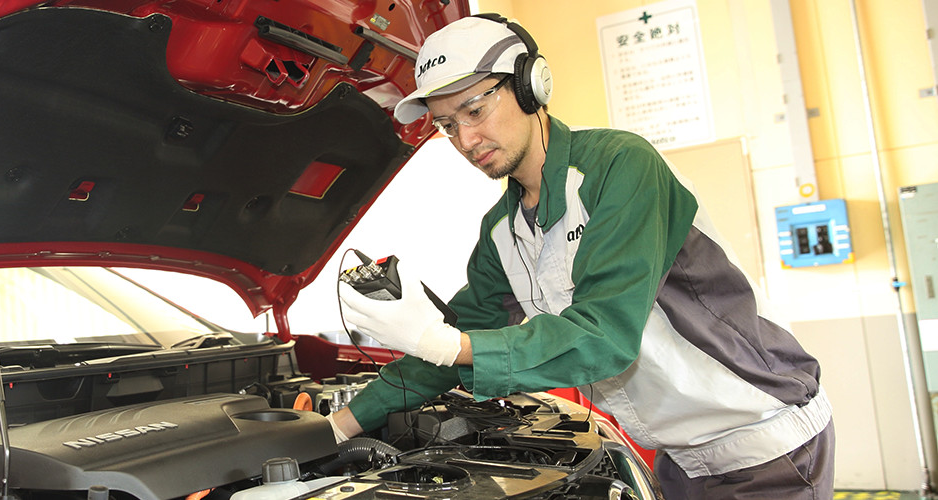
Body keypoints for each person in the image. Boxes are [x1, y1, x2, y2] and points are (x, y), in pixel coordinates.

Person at [326, 14, 835, 500]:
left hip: (765, 445)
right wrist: (339, 426)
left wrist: (445, 343)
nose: (466, 139)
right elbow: (448, 345)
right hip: (681, 460)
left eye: (475, 110)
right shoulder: (501, 230)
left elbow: (606, 335)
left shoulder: (620, 168)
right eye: (447, 125)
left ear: (530, 87)